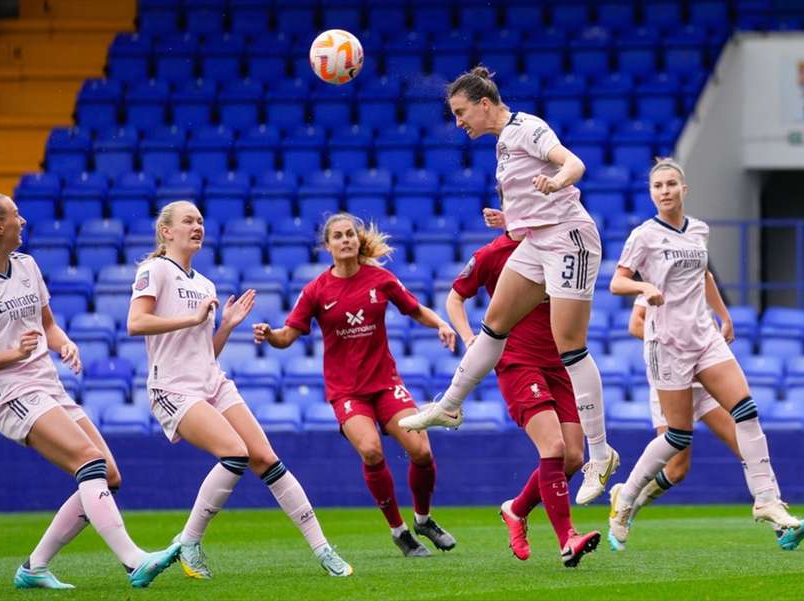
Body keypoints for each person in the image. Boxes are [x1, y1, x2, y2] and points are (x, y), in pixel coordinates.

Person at [398, 66, 618, 507]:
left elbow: (573, 162)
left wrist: (556, 181)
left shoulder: (528, 128)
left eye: (461, 112)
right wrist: (511, 220)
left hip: (569, 238)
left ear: (484, 104)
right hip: (537, 240)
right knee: (495, 324)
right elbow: (527, 207)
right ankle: (450, 405)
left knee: (570, 346)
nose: (458, 122)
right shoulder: (502, 145)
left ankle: (600, 455)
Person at [0, 192, 180, 590]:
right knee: (88, 463)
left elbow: (49, 324)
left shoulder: (26, 265)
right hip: (14, 396)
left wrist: (64, 343)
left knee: (108, 475)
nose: (23, 220)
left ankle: (34, 567)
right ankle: (134, 561)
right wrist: (11, 353)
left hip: (48, 386)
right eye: (15, 215)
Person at [126, 200, 352, 578]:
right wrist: (194, 317)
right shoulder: (154, 270)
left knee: (266, 459)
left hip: (211, 380)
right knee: (235, 453)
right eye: (187, 221)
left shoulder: (204, 284)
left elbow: (204, 352)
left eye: (200, 220)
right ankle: (189, 541)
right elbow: (135, 322)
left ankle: (323, 549)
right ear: (166, 232)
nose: (197, 226)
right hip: (173, 387)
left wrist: (225, 325)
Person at [607, 158, 804, 547]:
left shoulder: (698, 230)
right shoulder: (644, 236)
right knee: (677, 440)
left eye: (672, 184)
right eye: (658, 186)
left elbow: (702, 275)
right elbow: (617, 282)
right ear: (651, 193)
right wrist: (643, 290)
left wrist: (724, 316)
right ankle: (626, 500)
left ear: (683, 189)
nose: (665, 191)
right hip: (667, 345)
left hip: (704, 339)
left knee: (747, 412)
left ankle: (767, 503)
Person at [253, 213, 458, 557]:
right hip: (347, 392)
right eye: (338, 236)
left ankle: (423, 519)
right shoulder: (316, 290)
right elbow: (288, 336)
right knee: (371, 450)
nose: (345, 239)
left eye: (350, 234)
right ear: (328, 245)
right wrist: (271, 334)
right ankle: (400, 532)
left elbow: (414, 309)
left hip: (385, 383)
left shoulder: (380, 279)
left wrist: (440, 323)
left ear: (357, 240)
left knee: (421, 452)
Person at [614, 294, 804, 551]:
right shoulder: (656, 281)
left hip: (704, 383)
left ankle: (782, 527)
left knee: (745, 445)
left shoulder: (695, 276)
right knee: (677, 469)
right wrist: (678, 347)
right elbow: (635, 324)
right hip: (672, 381)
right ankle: (627, 503)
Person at [446, 223, 601, 567]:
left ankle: (516, 510)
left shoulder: (557, 243)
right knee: (554, 447)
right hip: (518, 361)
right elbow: (455, 296)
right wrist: (471, 338)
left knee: (573, 458)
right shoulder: (490, 254)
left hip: (559, 362)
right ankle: (568, 539)